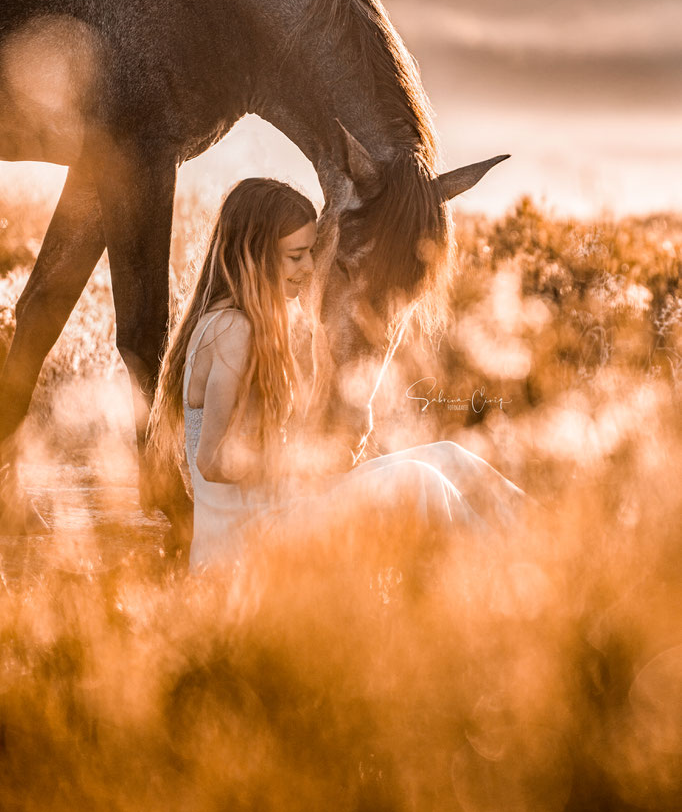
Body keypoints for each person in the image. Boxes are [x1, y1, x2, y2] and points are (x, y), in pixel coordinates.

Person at [150, 178, 525, 572]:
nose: (310, 267)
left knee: (450, 457)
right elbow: (212, 461)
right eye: (295, 256)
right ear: (254, 254)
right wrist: (308, 463)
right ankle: (506, 583)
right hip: (244, 547)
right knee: (419, 481)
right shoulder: (231, 331)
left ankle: (544, 548)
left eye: (311, 252)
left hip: (279, 513)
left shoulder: (246, 325)